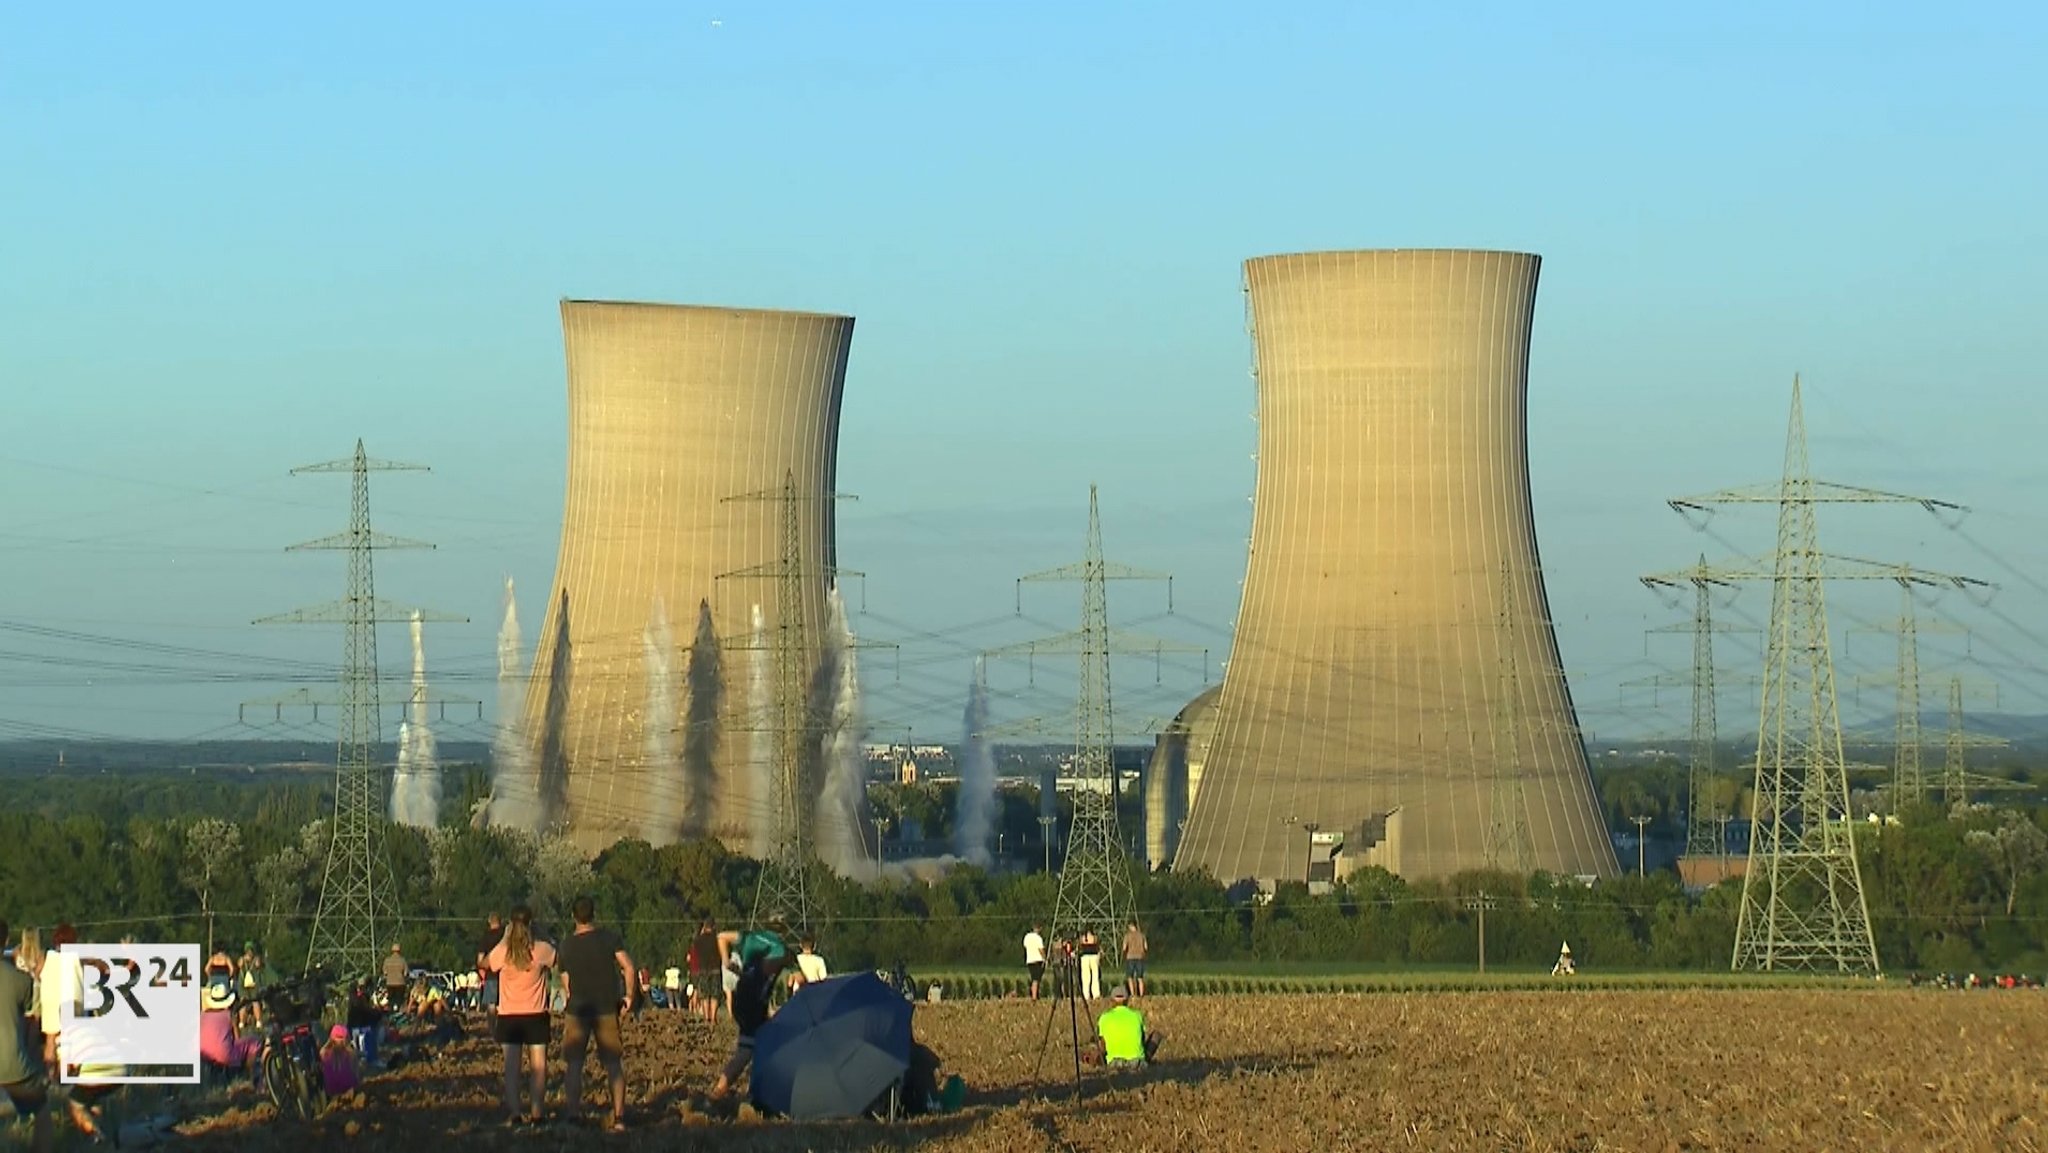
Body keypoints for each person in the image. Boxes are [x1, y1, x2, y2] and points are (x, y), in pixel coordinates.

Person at [555, 896, 635, 1133]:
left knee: (574, 1064)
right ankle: (619, 1117)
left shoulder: (566, 946)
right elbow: (629, 966)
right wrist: (629, 996)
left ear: (573, 916)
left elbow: (566, 983)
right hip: (606, 1008)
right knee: (613, 1064)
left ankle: (573, 1116)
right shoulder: (609, 938)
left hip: (578, 1009)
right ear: (594, 914)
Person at [486, 906, 557, 1126]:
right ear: (530, 923)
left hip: (509, 1016)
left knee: (511, 1069)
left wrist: (504, 938)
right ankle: (538, 1114)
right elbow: (556, 956)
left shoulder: (504, 952)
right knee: (539, 1067)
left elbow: (487, 962)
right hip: (535, 1014)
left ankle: (515, 1114)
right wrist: (541, 932)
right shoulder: (540, 949)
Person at [708, 928, 788, 1103]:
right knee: (752, 1050)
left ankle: (720, 1092)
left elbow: (721, 936)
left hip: (742, 998)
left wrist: (726, 962)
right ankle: (730, 1093)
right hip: (753, 1003)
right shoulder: (781, 948)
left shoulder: (749, 937)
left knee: (753, 1047)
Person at [0, 919, 52, 1153]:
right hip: (12, 1064)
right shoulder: (21, 981)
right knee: (41, 1107)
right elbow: (33, 1017)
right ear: (7, 941)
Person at [199, 975, 258, 1081]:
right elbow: (237, 1037)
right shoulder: (229, 1015)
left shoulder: (203, 1014)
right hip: (224, 1055)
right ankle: (250, 1076)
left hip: (203, 1054)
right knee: (254, 1043)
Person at [1093, 985, 1160, 1068]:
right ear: (1127, 1000)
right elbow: (1142, 1039)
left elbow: (1102, 1045)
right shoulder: (1137, 1015)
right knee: (1156, 1036)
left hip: (1114, 1062)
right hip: (1137, 1062)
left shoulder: (1104, 1018)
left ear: (1112, 1001)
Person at [688, 920, 720, 1026]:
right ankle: (713, 1018)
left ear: (704, 927)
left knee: (705, 995)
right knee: (714, 995)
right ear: (713, 927)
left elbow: (694, 949)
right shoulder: (717, 939)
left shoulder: (698, 940)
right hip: (715, 969)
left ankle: (707, 1018)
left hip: (702, 969)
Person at [477, 913, 504, 1030]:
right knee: (505, 1004)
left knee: (491, 1004)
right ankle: (504, 1029)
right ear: (500, 921)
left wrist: (481, 969)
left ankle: (493, 1030)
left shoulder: (485, 937)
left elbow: (480, 959)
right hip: (506, 974)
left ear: (489, 922)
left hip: (491, 974)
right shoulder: (505, 936)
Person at [318, 1025, 362, 1098]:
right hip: (350, 1088)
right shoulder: (351, 1053)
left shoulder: (324, 1053)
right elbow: (356, 1072)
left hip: (332, 1091)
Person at [1121, 920, 1149, 999]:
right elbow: (1146, 947)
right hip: (1140, 957)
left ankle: (1133, 995)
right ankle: (1141, 995)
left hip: (1130, 957)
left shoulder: (1127, 936)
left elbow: (1124, 947)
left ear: (1130, 926)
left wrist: (1124, 955)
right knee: (1140, 977)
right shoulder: (1142, 935)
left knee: (1130, 977)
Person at [1077, 928, 1102, 1001]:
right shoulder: (1095, 938)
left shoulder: (1082, 938)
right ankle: (1096, 994)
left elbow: (1079, 947)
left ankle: (1086, 995)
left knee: (1085, 977)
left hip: (1085, 957)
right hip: (1094, 956)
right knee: (1095, 976)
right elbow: (1098, 947)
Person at [1023, 924, 1046, 1001]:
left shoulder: (1027, 937)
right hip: (1037, 960)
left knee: (1033, 978)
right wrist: (1045, 958)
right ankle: (1034, 996)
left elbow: (1025, 946)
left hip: (1029, 960)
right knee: (1036, 979)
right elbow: (1041, 950)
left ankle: (1034, 994)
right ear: (1039, 929)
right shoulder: (1038, 938)